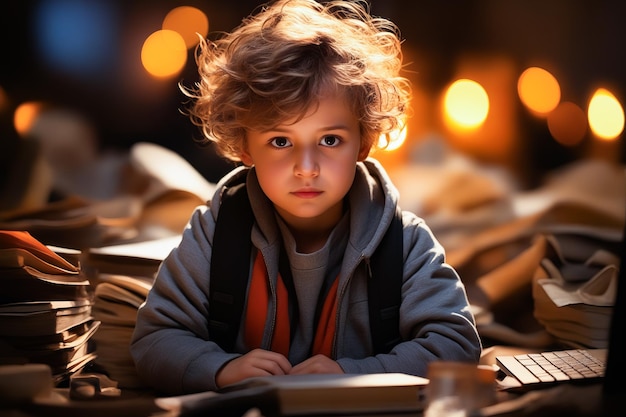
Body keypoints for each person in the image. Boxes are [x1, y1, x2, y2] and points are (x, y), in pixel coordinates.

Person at [130, 0, 482, 396]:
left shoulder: (406, 240)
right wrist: (223, 369)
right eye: (280, 141)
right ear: (245, 147)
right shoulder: (215, 231)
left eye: (330, 140)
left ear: (364, 142)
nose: (307, 167)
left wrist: (353, 376)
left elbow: (457, 346)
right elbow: (153, 340)